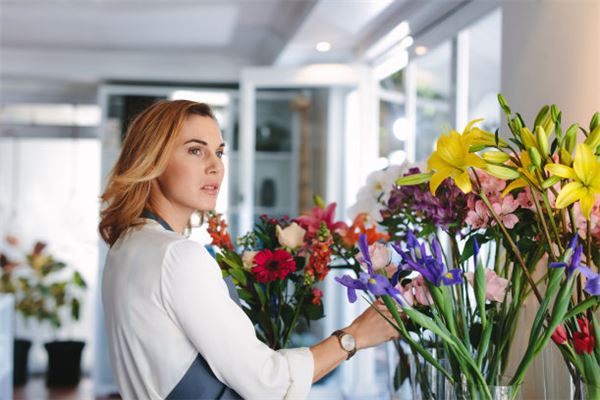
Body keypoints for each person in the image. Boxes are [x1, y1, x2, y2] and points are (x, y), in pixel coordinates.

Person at [99, 100, 399, 400]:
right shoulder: (178, 256)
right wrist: (355, 335)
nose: (216, 166)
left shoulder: (125, 247)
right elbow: (269, 383)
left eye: (219, 152)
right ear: (152, 160)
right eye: (195, 150)